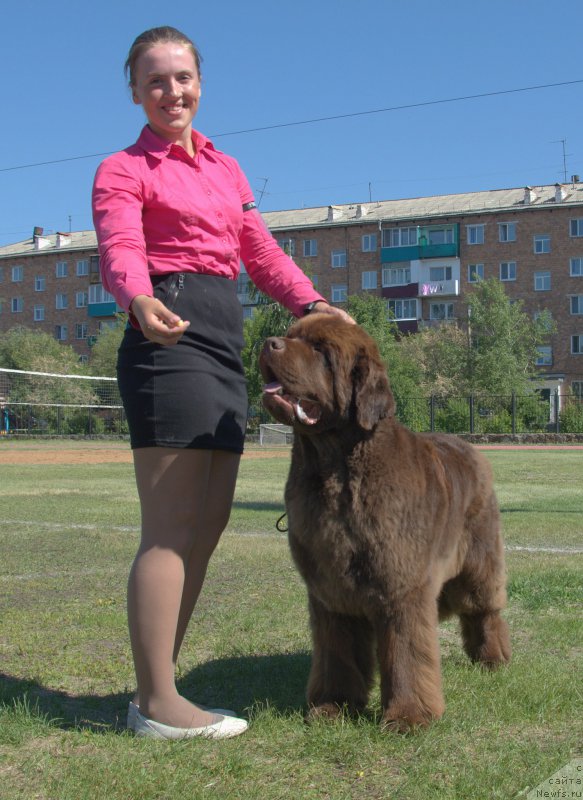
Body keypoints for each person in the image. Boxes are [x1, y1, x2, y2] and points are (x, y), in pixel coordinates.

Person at [92, 26, 352, 740]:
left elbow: (257, 250)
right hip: (164, 337)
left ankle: (158, 688)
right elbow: (119, 242)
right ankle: (155, 704)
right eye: (155, 81)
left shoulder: (225, 169)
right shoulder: (122, 168)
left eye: (182, 77)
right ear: (136, 92)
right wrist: (137, 298)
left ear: (199, 81)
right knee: (170, 530)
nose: (171, 91)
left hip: (219, 337)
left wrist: (309, 302)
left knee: (203, 530)